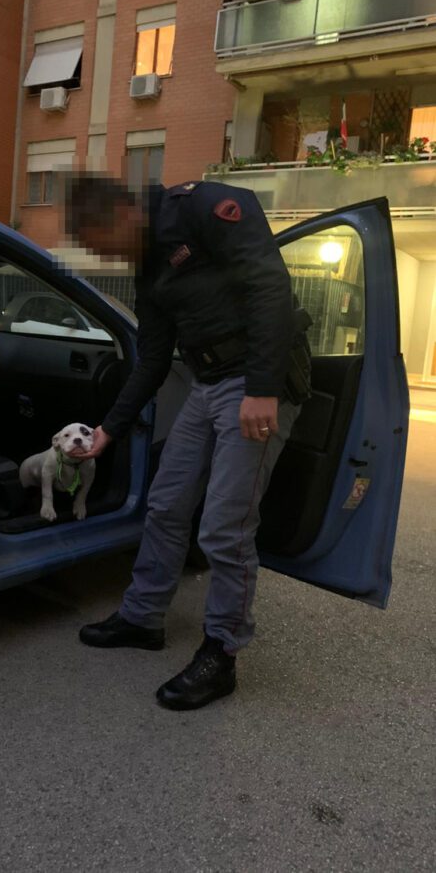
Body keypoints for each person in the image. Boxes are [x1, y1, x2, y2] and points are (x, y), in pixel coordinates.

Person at [63, 173, 311, 711]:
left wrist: (264, 389)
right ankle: (143, 616)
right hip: (207, 384)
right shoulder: (146, 260)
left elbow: (270, 283)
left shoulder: (202, 207)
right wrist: (109, 429)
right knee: (166, 502)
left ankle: (221, 652)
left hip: (257, 382)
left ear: (121, 215)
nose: (102, 255)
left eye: (99, 243)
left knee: (225, 526)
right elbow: (152, 357)